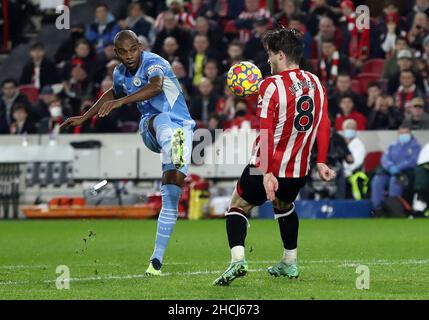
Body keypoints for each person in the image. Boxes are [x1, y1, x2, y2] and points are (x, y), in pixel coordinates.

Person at [60, 30, 195, 276]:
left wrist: (120, 103)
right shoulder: (120, 72)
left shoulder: (155, 63)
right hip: (152, 128)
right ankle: (171, 144)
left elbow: (155, 87)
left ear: (140, 45)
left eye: (133, 49)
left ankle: (156, 261)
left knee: (172, 192)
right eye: (123, 51)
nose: (129, 55)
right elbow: (113, 92)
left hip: (183, 129)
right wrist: (84, 117)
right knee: (161, 118)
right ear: (116, 53)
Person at [213, 28, 335, 286]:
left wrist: (267, 172)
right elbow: (324, 124)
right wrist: (321, 160)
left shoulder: (270, 85)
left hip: (266, 167)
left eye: (270, 54)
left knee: (238, 206)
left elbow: (266, 132)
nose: (267, 60)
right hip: (299, 171)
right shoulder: (315, 82)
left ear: (280, 54)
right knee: (284, 206)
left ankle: (237, 261)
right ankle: (289, 263)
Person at [371, 125, 421, 210]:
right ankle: (378, 208)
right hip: (389, 171)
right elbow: (385, 158)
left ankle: (393, 209)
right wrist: (390, 166)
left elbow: (413, 160)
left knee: (395, 181)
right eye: (401, 133)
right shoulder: (393, 145)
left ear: (410, 133)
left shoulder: (415, 146)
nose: (403, 135)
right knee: (377, 180)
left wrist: (399, 167)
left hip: (405, 172)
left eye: (406, 133)